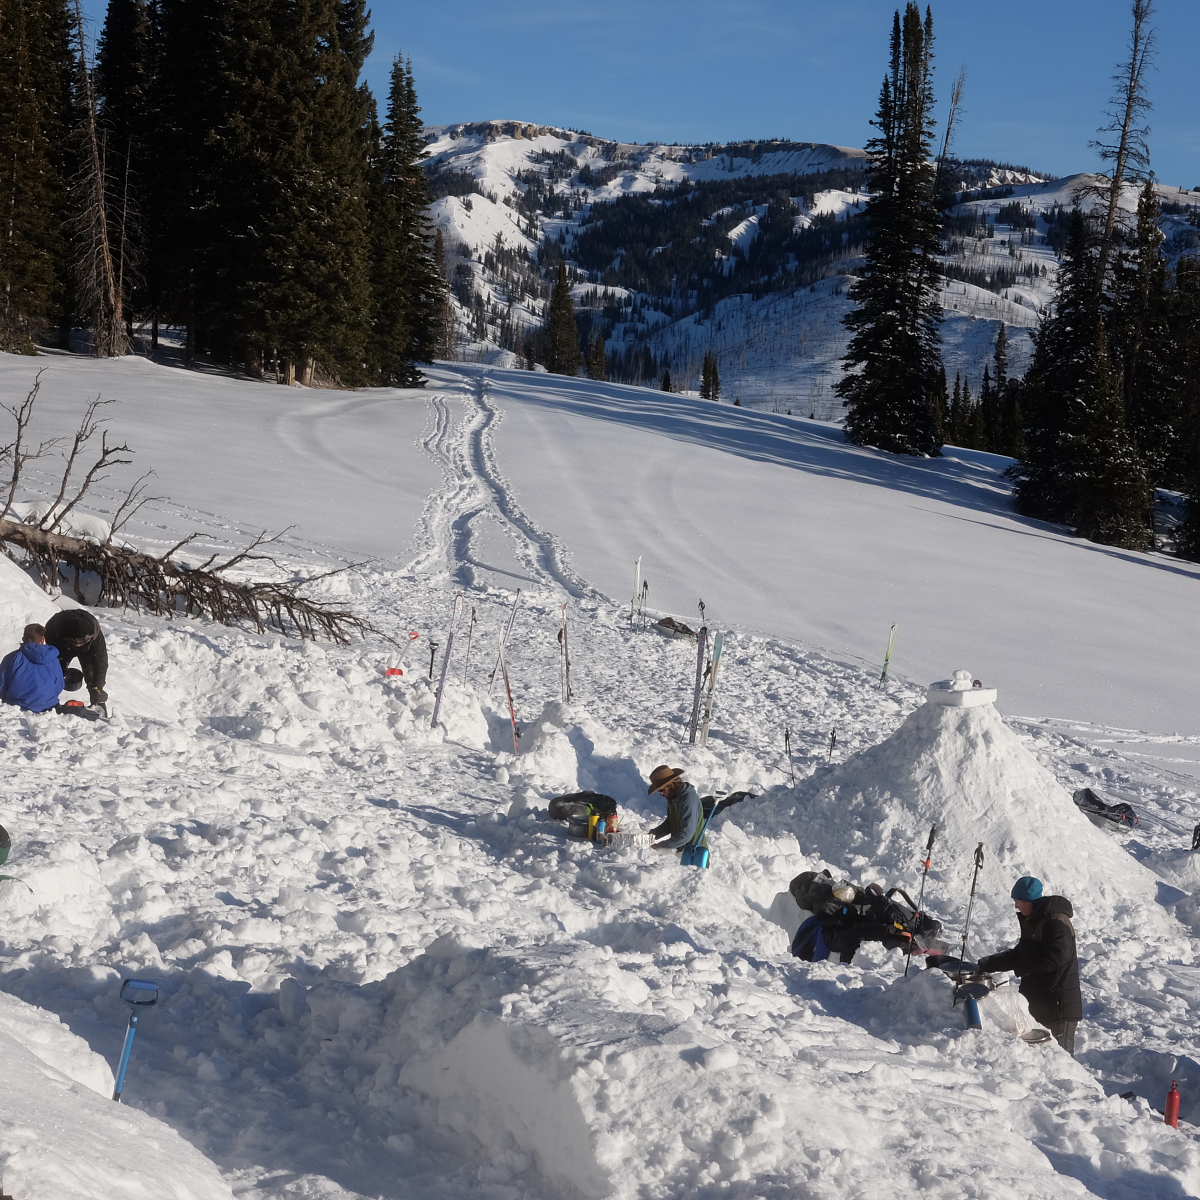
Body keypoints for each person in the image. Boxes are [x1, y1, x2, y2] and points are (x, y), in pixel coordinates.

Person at [978, 876, 1082, 1056]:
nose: (1016, 906)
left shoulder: (1055, 921)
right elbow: (1020, 954)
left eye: (1018, 902)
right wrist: (987, 964)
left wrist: (1022, 966)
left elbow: (1058, 956)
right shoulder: (1035, 919)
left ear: (1029, 901)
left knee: (1061, 1059)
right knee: (1041, 1058)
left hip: (1058, 1005)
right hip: (1041, 1000)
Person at [45, 609, 108, 708]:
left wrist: (97, 688)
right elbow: (52, 656)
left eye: (82, 641)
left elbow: (101, 663)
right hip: (62, 647)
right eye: (75, 642)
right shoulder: (53, 630)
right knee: (54, 672)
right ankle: (46, 699)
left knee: (93, 678)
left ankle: (98, 702)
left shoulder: (95, 635)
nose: (78, 645)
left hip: (87, 649)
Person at [0, 624, 65, 713]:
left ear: (23, 638)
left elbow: (2, 685)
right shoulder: (53, 659)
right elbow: (59, 685)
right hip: (48, 706)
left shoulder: (11, 658)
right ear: (43, 639)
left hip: (16, 707)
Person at [646, 765, 707, 855]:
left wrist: (662, 845)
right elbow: (670, 823)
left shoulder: (689, 800)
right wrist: (652, 835)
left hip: (695, 854)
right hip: (682, 852)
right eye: (659, 792)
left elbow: (687, 833)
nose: (661, 794)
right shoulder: (673, 798)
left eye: (662, 790)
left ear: (671, 784)